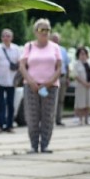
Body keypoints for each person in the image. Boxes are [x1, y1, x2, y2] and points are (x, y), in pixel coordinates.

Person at [19, 19, 61, 153]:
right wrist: (31, 81)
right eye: (42, 30)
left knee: (48, 116)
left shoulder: (55, 47)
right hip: (32, 87)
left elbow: (59, 68)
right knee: (32, 117)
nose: (45, 33)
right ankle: (33, 145)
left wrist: (49, 83)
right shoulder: (29, 46)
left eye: (47, 30)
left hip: (50, 87)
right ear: (35, 32)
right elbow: (22, 66)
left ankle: (45, 145)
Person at [0, 28, 20, 133]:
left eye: (8, 36)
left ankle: (9, 125)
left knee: (10, 104)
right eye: (4, 36)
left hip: (11, 81)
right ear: (1, 38)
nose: (6, 38)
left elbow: (21, 64)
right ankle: (0, 125)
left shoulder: (16, 49)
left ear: (12, 37)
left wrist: (19, 79)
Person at [73, 47, 90, 125]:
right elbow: (76, 76)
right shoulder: (76, 64)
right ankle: (80, 119)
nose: (83, 55)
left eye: (84, 54)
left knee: (88, 102)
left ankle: (87, 119)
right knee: (81, 103)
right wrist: (85, 83)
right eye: (81, 54)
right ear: (78, 55)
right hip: (81, 86)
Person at [51, 32, 69, 126]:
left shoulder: (63, 50)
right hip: (52, 78)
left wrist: (68, 78)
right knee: (52, 99)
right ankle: (51, 120)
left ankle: (59, 119)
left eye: (57, 38)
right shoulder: (48, 49)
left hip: (62, 77)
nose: (55, 40)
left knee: (61, 100)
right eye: (53, 38)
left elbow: (67, 65)